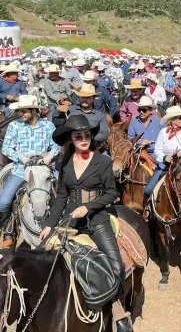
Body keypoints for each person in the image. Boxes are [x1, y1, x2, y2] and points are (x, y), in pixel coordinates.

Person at [39, 115, 132, 332]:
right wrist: (49, 225)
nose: (83, 139)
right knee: (45, 255)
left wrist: (88, 207)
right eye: (78, 136)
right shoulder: (64, 163)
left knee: (116, 265)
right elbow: (61, 196)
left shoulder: (103, 161)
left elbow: (111, 193)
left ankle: (117, 310)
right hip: (70, 220)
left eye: (86, 135)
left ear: (91, 137)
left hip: (97, 219)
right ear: (71, 139)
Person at [1, 95, 60, 247]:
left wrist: (48, 155)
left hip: (45, 170)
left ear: (34, 110)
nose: (21, 114)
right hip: (21, 170)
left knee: (67, 191)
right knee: (3, 202)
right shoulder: (15, 126)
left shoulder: (48, 127)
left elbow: (56, 147)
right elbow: (6, 148)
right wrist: (22, 158)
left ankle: (70, 225)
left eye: (24, 111)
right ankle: (9, 230)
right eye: (20, 111)